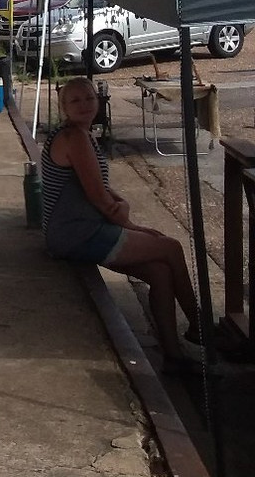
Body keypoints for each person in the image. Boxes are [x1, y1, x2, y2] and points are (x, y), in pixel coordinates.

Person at [43, 77, 202, 374]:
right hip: (77, 233)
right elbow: (99, 198)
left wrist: (121, 204)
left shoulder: (82, 134)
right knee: (170, 247)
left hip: (78, 230)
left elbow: (97, 184)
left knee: (160, 271)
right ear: (64, 107)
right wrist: (130, 224)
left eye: (89, 98)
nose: (84, 105)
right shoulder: (74, 138)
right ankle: (200, 327)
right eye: (75, 100)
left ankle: (173, 354)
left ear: (98, 101)